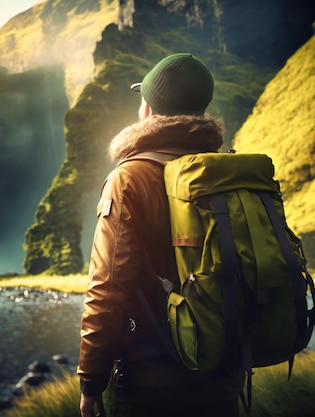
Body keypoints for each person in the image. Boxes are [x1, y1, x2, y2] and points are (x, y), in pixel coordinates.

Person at [78, 53, 245, 417]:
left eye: (143, 99)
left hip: (151, 384)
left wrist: (90, 380)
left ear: (149, 110)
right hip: (224, 373)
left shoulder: (130, 178)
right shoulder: (225, 173)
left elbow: (107, 287)